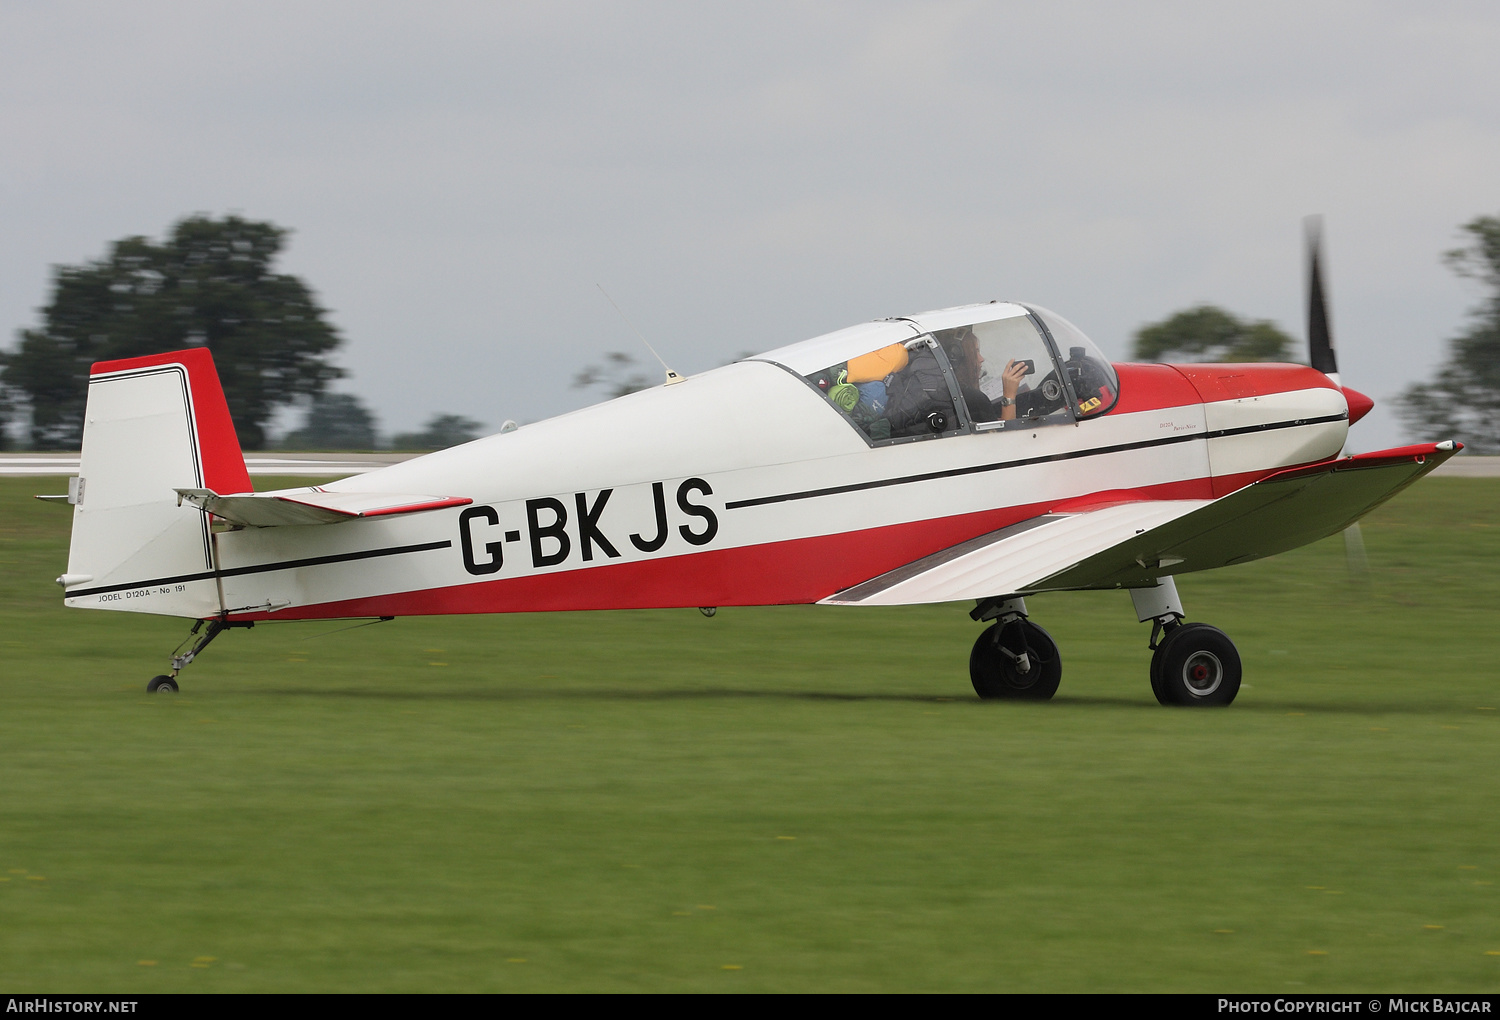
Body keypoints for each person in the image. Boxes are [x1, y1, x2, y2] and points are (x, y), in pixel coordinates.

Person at [941, 328, 1028, 423]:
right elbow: (1004, 434)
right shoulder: (974, 399)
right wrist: (1009, 395)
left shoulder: (943, 391)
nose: (981, 359)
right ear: (957, 358)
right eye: (975, 353)